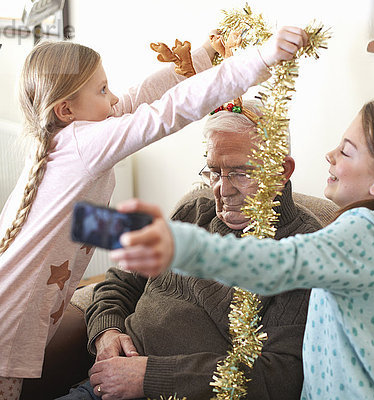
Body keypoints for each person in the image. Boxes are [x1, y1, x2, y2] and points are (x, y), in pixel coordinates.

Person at [0, 27, 309, 400]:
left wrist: (204, 55)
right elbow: (168, 111)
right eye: (102, 90)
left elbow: (141, 96)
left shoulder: (66, 136)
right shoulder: (87, 145)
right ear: (66, 109)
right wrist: (260, 59)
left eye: (240, 171)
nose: (114, 99)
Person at [110, 100, 374, 400]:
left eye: (346, 151)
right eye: (215, 172)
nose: (329, 155)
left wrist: (177, 245)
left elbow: (273, 264)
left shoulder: (366, 234)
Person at [59, 99, 324, 400]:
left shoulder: (305, 249)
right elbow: (120, 282)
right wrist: (107, 333)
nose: (222, 190)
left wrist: (149, 377)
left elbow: (280, 375)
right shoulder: (194, 211)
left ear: (281, 171)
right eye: (214, 171)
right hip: (107, 385)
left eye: (241, 173)